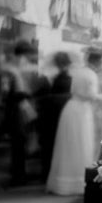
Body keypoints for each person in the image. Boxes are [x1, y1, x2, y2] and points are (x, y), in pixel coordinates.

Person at [46, 51, 102, 195]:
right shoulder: (91, 74)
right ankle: (79, 182)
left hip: (70, 108)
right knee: (82, 144)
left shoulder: (78, 72)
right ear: (98, 62)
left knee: (68, 145)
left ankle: (64, 181)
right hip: (82, 111)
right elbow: (92, 95)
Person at [0, 40, 48, 185]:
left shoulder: (18, 68)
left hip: (23, 107)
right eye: (28, 54)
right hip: (17, 108)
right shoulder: (10, 69)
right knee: (18, 141)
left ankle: (19, 173)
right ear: (22, 54)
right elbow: (6, 91)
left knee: (21, 141)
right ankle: (18, 175)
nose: (28, 58)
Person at [39, 51, 73, 181]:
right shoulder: (68, 77)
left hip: (52, 113)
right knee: (59, 143)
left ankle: (48, 172)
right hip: (61, 112)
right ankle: (54, 172)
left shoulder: (51, 76)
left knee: (51, 144)